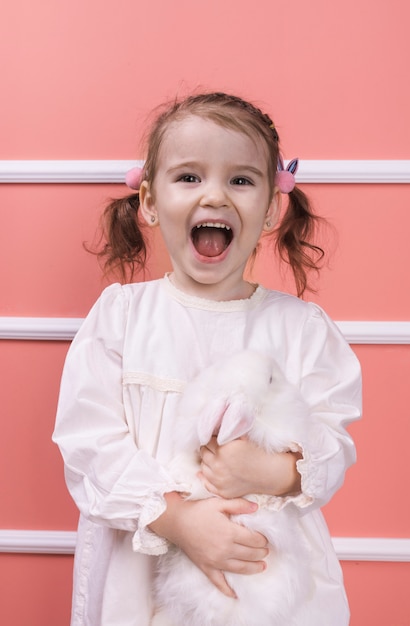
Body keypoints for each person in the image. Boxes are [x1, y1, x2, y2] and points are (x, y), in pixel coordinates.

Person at [53, 92, 362, 626]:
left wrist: (272, 470)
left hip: (268, 580)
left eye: (240, 180)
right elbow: (88, 442)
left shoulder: (301, 330)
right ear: (149, 200)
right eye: (189, 177)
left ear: (269, 208)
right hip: (143, 576)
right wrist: (177, 520)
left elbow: (332, 443)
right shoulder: (122, 317)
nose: (214, 195)